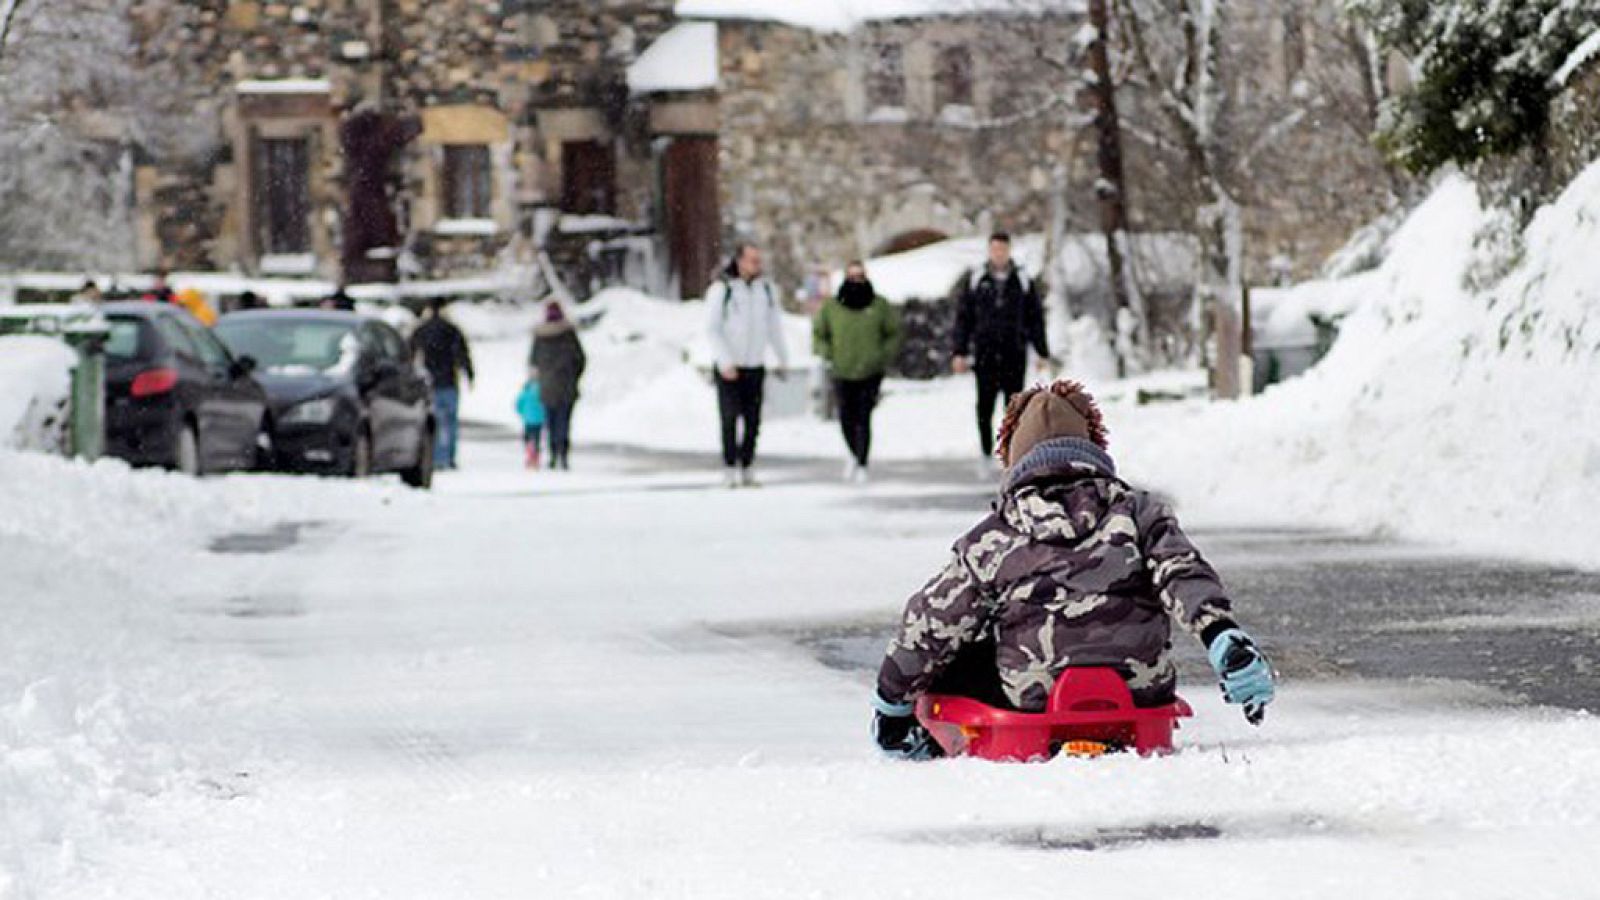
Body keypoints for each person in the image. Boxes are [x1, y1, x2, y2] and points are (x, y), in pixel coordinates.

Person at [870, 380, 1276, 760]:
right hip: (1141, 691)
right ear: (1093, 448)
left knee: (951, 657)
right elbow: (1181, 572)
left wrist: (892, 701)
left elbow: (931, 621)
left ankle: (908, 737)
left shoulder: (995, 536)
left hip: (1032, 694)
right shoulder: (1138, 513)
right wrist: (1220, 633)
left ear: (1014, 460)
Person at [951, 233, 1054, 469]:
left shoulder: (1022, 280)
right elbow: (963, 318)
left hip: (1013, 353)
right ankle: (986, 452)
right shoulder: (977, 279)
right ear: (989, 251)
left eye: (1003, 249)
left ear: (1009, 250)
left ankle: (1011, 452)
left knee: (1014, 407)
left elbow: (1034, 319)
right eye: (994, 249)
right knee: (984, 406)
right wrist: (959, 351)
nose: (999, 253)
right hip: (985, 353)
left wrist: (1041, 352)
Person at [705, 242, 790, 488]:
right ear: (740, 261)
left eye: (758, 260)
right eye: (752, 260)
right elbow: (712, 328)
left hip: (754, 363)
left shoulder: (766, 291)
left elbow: (773, 326)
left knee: (753, 421)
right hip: (729, 365)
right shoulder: (723, 289)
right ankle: (729, 466)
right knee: (730, 419)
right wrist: (725, 360)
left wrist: (782, 357)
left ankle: (747, 465)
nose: (756, 265)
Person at [813, 260, 902, 482]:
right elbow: (819, 333)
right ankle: (853, 453)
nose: (856, 280)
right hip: (841, 369)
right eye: (852, 276)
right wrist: (827, 353)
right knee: (845, 416)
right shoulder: (832, 307)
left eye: (860, 275)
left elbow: (894, 332)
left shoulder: (879, 305)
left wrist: (883, 355)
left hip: (870, 370)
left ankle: (862, 461)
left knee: (863, 416)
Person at [410, 298, 475, 470]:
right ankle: (449, 457)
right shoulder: (452, 330)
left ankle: (437, 457)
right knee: (451, 422)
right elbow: (463, 354)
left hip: (431, 382)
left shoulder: (421, 330)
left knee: (435, 421)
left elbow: (410, 353)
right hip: (450, 381)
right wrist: (469, 375)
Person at [529, 301, 586, 471]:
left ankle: (553, 453)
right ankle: (563, 453)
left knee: (550, 422)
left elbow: (533, 360)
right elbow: (580, 359)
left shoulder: (540, 337)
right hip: (567, 386)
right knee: (564, 421)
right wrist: (573, 376)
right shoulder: (569, 335)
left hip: (547, 387)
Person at [514, 366, 546, 470]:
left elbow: (518, 403)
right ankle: (535, 457)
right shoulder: (543, 389)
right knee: (536, 439)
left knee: (527, 438)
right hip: (539, 419)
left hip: (528, 419)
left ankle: (530, 456)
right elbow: (546, 404)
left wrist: (521, 412)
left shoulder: (526, 389)